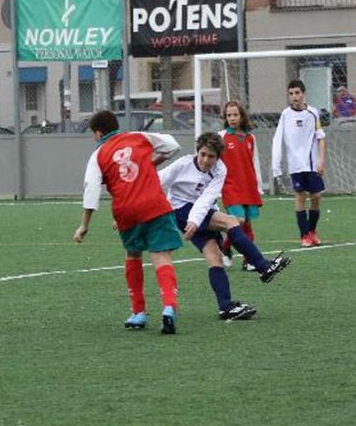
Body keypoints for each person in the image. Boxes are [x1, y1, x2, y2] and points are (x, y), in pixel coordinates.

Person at [159, 132, 291, 321]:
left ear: (218, 157)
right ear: (198, 151)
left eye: (211, 156)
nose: (205, 160)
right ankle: (263, 267)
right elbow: (156, 181)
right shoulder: (183, 164)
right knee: (231, 221)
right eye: (202, 154)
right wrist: (132, 209)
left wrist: (195, 221)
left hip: (198, 213)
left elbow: (207, 198)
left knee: (215, 257)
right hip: (180, 210)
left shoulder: (220, 169)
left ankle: (225, 307)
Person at [74, 109, 183, 334]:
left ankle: (139, 313)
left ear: (97, 133)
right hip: (155, 204)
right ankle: (169, 307)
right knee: (161, 256)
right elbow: (173, 146)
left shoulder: (98, 154)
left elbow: (91, 189)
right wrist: (152, 162)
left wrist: (84, 225)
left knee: (133, 255)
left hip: (127, 210)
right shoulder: (138, 136)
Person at [271, 79, 327, 247]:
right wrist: (277, 166)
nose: (294, 96)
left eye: (297, 93)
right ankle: (304, 236)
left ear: (303, 94)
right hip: (295, 165)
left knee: (316, 196)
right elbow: (277, 139)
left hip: (312, 163)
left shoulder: (313, 113)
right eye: (291, 94)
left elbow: (320, 137)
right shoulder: (285, 115)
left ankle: (312, 231)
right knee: (300, 197)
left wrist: (321, 159)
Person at [218, 100, 264, 271]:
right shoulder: (221, 136)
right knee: (239, 221)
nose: (232, 118)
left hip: (248, 186)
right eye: (229, 115)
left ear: (242, 116)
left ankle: (248, 260)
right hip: (230, 187)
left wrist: (258, 186)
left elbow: (254, 163)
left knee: (247, 224)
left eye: (235, 115)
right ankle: (225, 248)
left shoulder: (250, 138)